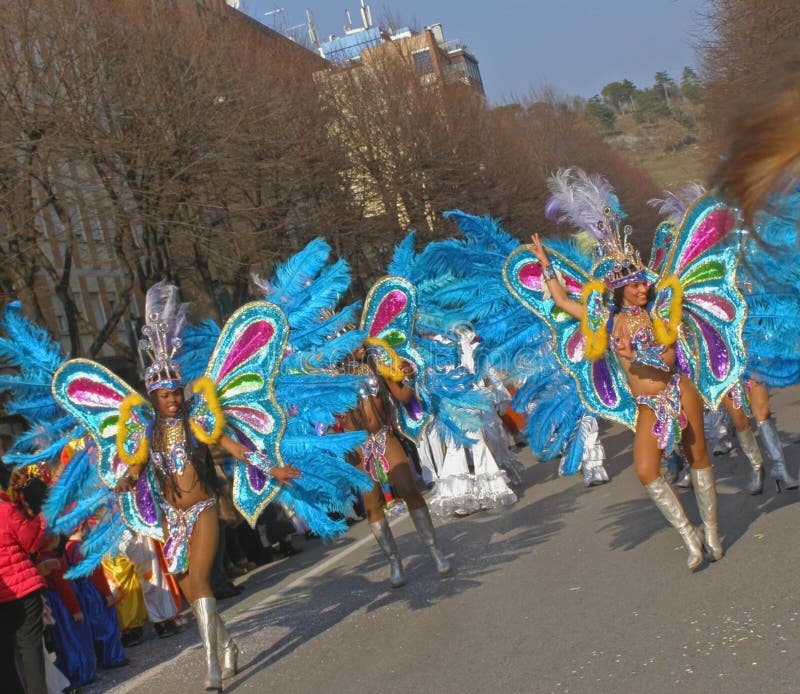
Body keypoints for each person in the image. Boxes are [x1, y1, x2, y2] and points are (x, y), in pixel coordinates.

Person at [509, 169, 745, 570]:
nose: (642, 289)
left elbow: (670, 356)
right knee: (646, 471)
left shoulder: (656, 312)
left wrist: (641, 358)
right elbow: (565, 304)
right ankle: (689, 538)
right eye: (635, 285)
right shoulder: (604, 319)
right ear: (619, 289)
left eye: (642, 284)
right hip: (647, 406)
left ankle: (711, 531)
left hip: (676, 390)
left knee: (698, 455)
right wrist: (546, 266)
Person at [341, 346, 450, 587]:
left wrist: (407, 374)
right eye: (352, 341)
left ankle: (434, 550)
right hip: (358, 447)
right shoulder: (332, 376)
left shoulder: (378, 364)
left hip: (383, 437)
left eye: (361, 340)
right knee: (371, 505)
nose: (360, 346)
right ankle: (394, 561)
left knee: (408, 487)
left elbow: (403, 396)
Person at [0, 459, 49, 694]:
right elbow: (31, 542)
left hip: (3, 594)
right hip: (23, 589)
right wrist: (42, 518)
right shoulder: (5, 510)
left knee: (5, 658)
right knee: (30, 650)